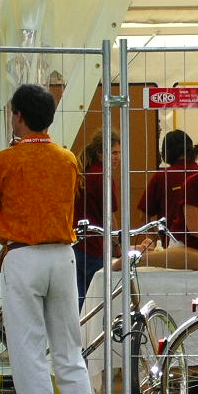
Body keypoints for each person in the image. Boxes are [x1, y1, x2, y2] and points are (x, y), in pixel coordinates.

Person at [0, 84, 113, 394]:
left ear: (18, 115)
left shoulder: (6, 159)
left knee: (29, 354)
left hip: (22, 257)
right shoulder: (67, 158)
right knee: (69, 351)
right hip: (62, 256)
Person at [73, 130, 122, 311]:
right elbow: (109, 217)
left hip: (77, 245)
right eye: (113, 152)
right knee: (98, 302)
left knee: (80, 301)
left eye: (118, 152)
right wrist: (117, 245)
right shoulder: (103, 177)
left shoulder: (84, 172)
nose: (117, 157)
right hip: (94, 247)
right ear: (100, 153)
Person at [136, 129, 198, 231]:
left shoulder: (162, 177)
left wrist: (161, 236)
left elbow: (144, 216)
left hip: (171, 240)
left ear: (166, 153)